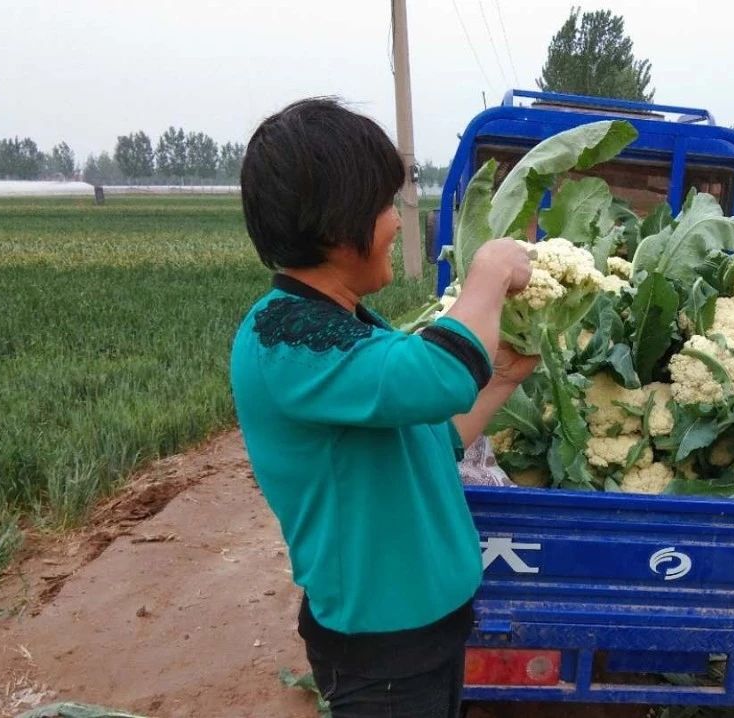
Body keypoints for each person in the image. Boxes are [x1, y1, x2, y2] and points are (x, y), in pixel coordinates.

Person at [230, 97, 536, 718]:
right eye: (386, 205)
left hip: (424, 636)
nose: (398, 223)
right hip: (381, 656)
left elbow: (433, 438)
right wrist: (487, 271)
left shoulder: (340, 326)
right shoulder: (286, 339)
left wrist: (501, 379)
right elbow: (446, 373)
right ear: (340, 225)